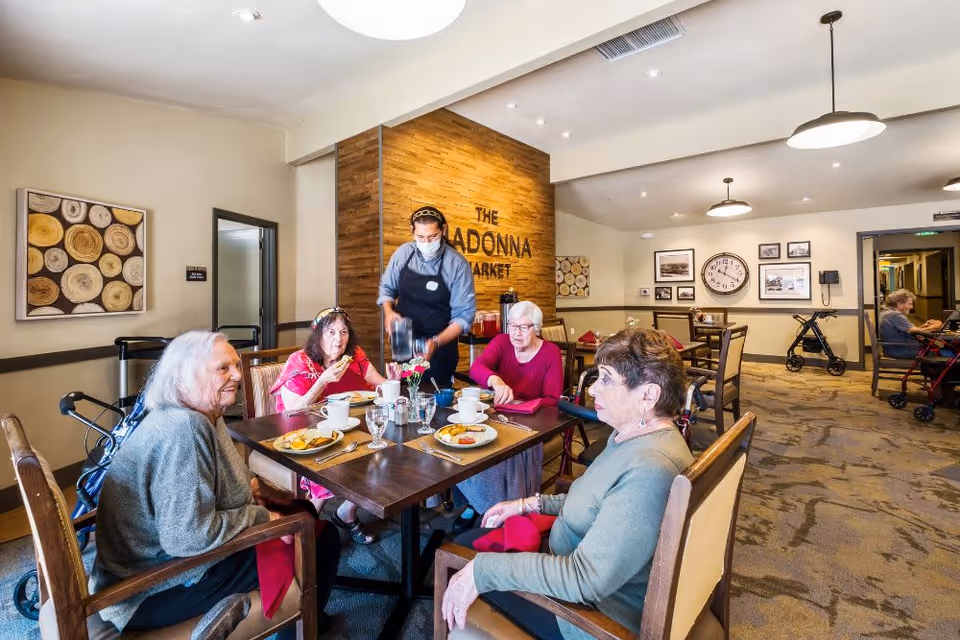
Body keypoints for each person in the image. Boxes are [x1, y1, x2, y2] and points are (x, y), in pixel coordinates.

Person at [441, 328, 694, 640]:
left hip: (590, 615)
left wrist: (483, 572)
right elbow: (595, 500)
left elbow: (585, 579)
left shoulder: (650, 469)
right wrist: (529, 504)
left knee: (460, 556)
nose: (592, 391)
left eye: (606, 379)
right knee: (472, 538)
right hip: (573, 567)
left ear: (648, 395)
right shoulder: (634, 436)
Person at [89, 331, 341, 634]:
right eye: (223, 368)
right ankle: (304, 625)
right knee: (322, 536)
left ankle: (302, 616)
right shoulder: (184, 430)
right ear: (185, 377)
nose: (237, 374)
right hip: (151, 587)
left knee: (304, 511)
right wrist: (265, 516)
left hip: (159, 563)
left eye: (236, 365)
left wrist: (263, 498)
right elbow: (187, 537)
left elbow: (226, 480)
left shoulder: (204, 413)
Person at [271, 307, 385, 544]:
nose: (338, 339)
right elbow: (293, 410)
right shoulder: (299, 362)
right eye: (331, 332)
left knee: (382, 443)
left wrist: (392, 381)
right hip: (302, 431)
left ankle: (346, 512)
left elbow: (379, 383)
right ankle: (306, 526)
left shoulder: (355, 356)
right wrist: (322, 381)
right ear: (317, 334)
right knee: (332, 454)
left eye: (344, 332)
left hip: (345, 425)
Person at [454, 301, 562, 528]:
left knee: (501, 450)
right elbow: (477, 368)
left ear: (537, 328)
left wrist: (521, 404)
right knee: (465, 444)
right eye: (512, 326)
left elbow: (552, 400)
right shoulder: (501, 342)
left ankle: (501, 507)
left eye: (524, 327)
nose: (516, 333)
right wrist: (495, 380)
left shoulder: (550, 352)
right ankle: (480, 502)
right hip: (498, 416)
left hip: (531, 422)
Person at [378, 206, 476, 387]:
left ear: (443, 230)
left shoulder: (456, 264)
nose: (426, 242)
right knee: (403, 397)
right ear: (412, 232)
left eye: (432, 237)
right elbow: (387, 288)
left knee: (436, 403)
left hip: (439, 348)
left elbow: (464, 317)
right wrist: (389, 311)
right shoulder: (403, 253)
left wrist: (435, 343)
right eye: (421, 237)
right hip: (403, 342)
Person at [879, 289, 943, 359]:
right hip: (902, 350)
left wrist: (924, 326)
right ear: (900, 304)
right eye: (909, 304)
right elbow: (919, 333)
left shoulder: (887, 312)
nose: (911, 307)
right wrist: (937, 325)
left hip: (894, 348)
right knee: (938, 353)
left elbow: (911, 330)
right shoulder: (895, 315)